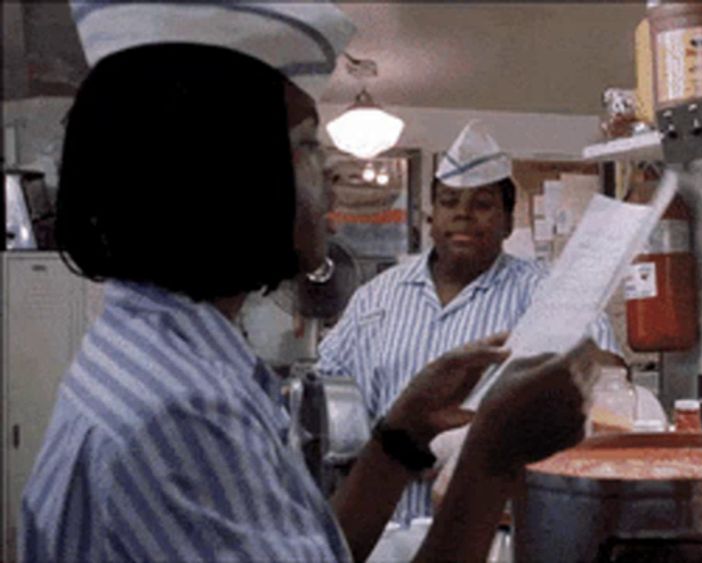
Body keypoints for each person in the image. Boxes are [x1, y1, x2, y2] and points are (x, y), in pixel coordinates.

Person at [20, 3, 600, 562]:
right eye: (303, 146)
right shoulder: (180, 416)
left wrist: (401, 432)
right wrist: (492, 459)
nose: (328, 171)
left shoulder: (185, 357)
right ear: (223, 170)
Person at [317, 119, 623, 523]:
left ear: (507, 220)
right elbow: (326, 397)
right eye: (449, 202)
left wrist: (477, 439)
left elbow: (610, 383)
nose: (462, 215)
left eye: (481, 204)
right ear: (432, 218)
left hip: (497, 525)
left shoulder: (550, 294)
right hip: (383, 528)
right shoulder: (376, 298)